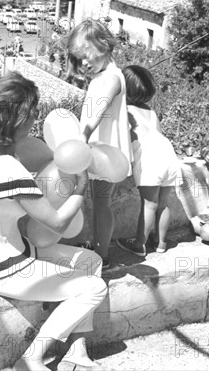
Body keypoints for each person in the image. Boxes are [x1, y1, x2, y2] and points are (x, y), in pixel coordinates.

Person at [0, 72, 107, 371]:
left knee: (91, 262)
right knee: (94, 288)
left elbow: (33, 158)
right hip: (3, 269)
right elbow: (55, 223)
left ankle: (76, 352)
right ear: (16, 118)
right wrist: (81, 186)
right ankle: (31, 359)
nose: (35, 121)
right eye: (33, 114)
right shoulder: (9, 171)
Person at [67, 18, 133, 269]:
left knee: (102, 203)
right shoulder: (104, 75)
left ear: (103, 45)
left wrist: (82, 136)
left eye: (85, 56)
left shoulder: (111, 78)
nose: (82, 63)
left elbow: (97, 111)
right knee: (98, 201)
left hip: (105, 152)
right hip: (98, 149)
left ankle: (103, 254)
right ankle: (97, 246)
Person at [115, 66, 181, 256]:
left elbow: (123, 139)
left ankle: (139, 245)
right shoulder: (151, 113)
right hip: (168, 155)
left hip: (149, 158)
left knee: (149, 205)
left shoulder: (124, 111)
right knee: (163, 203)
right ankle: (161, 243)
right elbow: (158, 135)